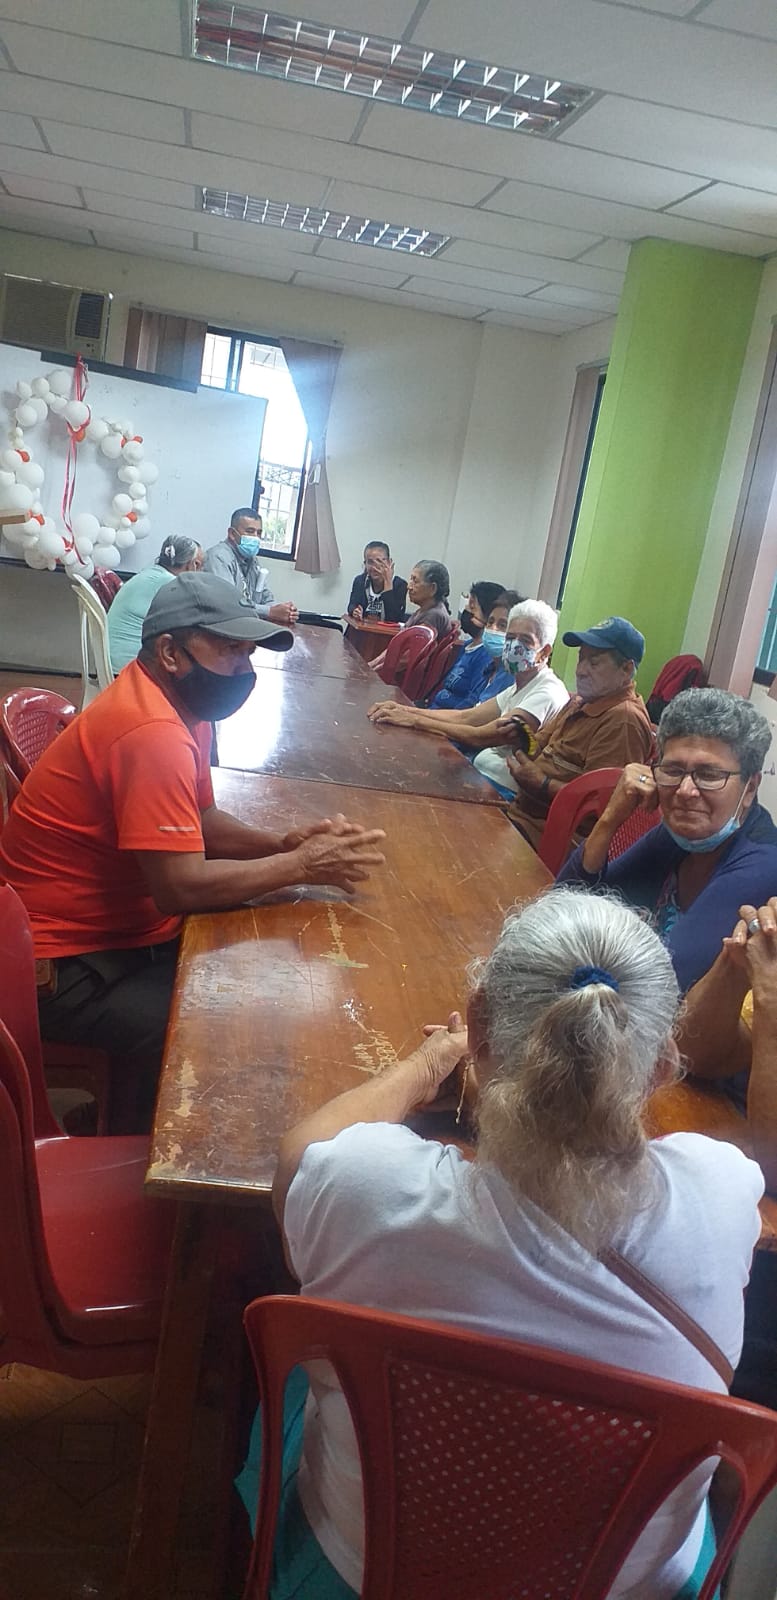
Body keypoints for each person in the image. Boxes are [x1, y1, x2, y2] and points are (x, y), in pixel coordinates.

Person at [238, 889, 763, 1598]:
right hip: (627, 1586)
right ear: (662, 1065)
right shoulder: (719, 1192)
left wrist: (429, 1062)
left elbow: (300, 1152)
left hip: (362, 1569)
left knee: (299, 1382)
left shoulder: (365, 1188)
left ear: (480, 1027)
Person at [0, 574, 385, 1129]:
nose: (244, 669)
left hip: (108, 937)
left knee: (247, 969)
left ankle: (121, 1114)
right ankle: (146, 1145)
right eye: (230, 650)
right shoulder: (150, 730)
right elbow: (180, 888)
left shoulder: (180, 706)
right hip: (59, 968)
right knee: (225, 1027)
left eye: (249, 652)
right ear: (170, 652)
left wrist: (278, 845)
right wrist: (299, 866)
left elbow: (199, 821)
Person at [559, 688, 777, 993]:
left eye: (709, 775)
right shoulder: (680, 836)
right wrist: (609, 819)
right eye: (673, 770)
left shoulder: (765, 864)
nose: (685, 791)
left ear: (750, 788)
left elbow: (667, 982)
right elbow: (565, 906)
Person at [504, 615, 653, 849]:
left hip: (549, 839)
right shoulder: (580, 702)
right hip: (519, 815)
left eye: (594, 663)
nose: (581, 671)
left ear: (626, 669)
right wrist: (520, 738)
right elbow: (537, 747)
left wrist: (541, 783)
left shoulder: (623, 720)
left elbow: (601, 806)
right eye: (581, 659)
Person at [368, 600, 567, 768]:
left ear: (544, 652)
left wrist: (414, 721)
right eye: (511, 637)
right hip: (480, 772)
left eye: (525, 640)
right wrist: (404, 710)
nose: (514, 645)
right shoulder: (520, 685)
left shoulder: (547, 691)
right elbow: (467, 716)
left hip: (499, 789)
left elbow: (480, 736)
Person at [107, 534, 204, 672]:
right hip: (128, 668)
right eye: (200, 565)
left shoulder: (148, 573)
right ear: (192, 565)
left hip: (111, 661)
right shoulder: (171, 583)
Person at [428, 582, 516, 711]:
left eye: (472, 606)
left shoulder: (488, 656)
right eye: (491, 622)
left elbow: (470, 706)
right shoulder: (467, 645)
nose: (466, 610)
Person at [204, 507, 299, 625]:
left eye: (259, 533)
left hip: (246, 624)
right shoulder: (218, 557)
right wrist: (270, 612)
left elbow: (265, 597)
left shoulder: (251, 560)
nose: (256, 537)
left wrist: (285, 610)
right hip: (221, 625)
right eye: (250, 531)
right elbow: (229, 604)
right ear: (232, 534)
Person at [347, 542, 407, 624]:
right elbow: (352, 605)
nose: (374, 567)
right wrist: (354, 611)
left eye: (379, 561)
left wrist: (388, 584)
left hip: (386, 631)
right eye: (370, 562)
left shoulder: (400, 585)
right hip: (363, 628)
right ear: (365, 564)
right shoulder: (360, 581)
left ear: (389, 562)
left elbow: (394, 619)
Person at [405, 559, 454, 639]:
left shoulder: (433, 616)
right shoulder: (427, 610)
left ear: (432, 588)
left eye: (415, 581)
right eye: (411, 579)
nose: (409, 587)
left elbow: (416, 645)